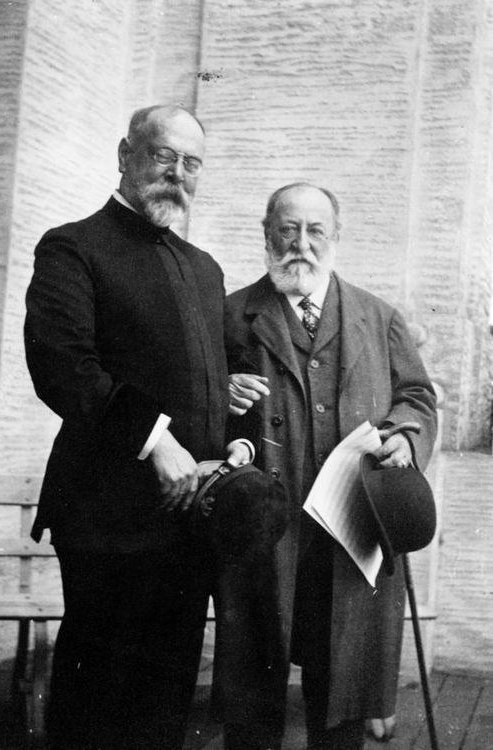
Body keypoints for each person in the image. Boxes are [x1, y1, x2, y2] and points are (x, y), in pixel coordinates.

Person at [24, 104, 251, 750]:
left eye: (191, 164)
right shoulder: (73, 246)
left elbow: (209, 375)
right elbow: (62, 366)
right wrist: (156, 440)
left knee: (165, 698)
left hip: (187, 519)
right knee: (97, 698)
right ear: (126, 156)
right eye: (162, 156)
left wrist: (233, 432)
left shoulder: (204, 268)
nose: (176, 174)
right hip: (105, 518)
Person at [221, 182, 437, 750]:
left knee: (342, 696)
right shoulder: (231, 315)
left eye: (316, 230)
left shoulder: (378, 317)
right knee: (254, 697)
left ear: (336, 236)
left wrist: (404, 438)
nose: (302, 244)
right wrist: (222, 394)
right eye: (288, 230)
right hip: (266, 529)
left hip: (351, 530)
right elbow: (197, 398)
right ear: (267, 235)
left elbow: (416, 396)